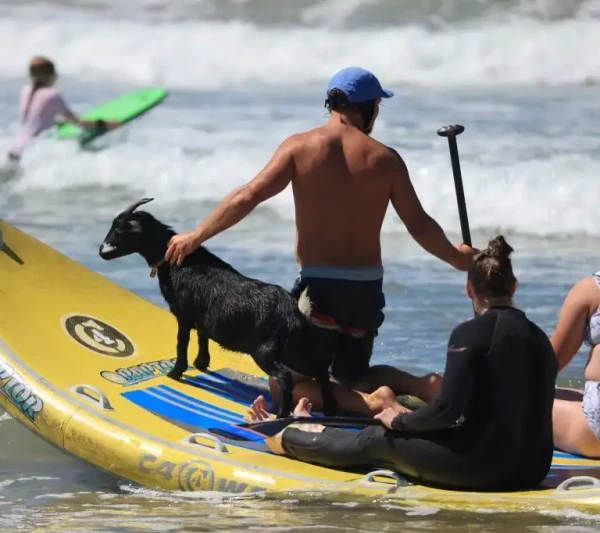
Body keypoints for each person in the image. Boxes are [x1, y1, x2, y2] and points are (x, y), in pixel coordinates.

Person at [164, 66, 475, 408]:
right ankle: (424, 384)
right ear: (370, 107)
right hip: (366, 292)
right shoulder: (386, 160)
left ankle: (373, 405)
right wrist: (456, 258)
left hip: (319, 293)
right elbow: (419, 225)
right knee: (352, 374)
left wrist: (196, 235)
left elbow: (248, 196)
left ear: (331, 105)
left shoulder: (300, 148)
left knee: (283, 381)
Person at [248, 237, 558, 492]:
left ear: (469, 290)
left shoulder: (470, 333)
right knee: (418, 428)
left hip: (481, 469)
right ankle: (311, 426)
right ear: (513, 287)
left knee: (379, 440)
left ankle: (288, 436)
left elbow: (445, 412)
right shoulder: (540, 338)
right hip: (534, 467)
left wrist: (400, 421)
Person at [8, 56, 118, 160]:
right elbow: (79, 124)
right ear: (52, 75)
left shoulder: (25, 90)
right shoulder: (52, 94)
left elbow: (34, 118)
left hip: (14, 149)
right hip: (31, 153)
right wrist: (104, 124)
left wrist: (58, 122)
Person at [550, 273, 600, 458]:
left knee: (512, 400)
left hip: (595, 430)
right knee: (559, 392)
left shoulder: (591, 288)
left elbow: (546, 367)